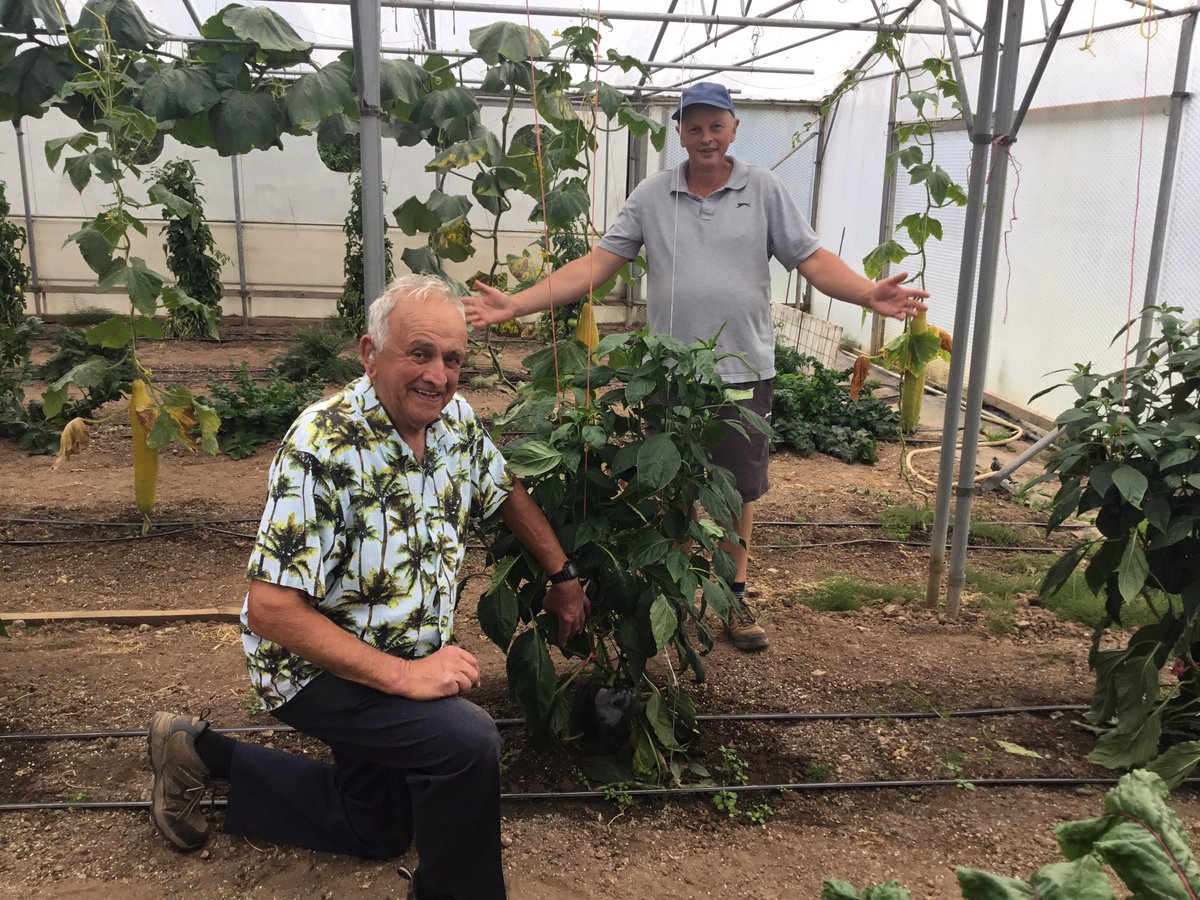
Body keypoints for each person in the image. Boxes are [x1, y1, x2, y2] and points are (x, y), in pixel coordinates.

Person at [148, 275, 589, 900]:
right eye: (420, 352)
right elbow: (271, 610)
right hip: (313, 669)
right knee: (463, 744)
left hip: (395, 659)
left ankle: (200, 753)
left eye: (453, 359)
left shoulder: (453, 421)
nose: (438, 375)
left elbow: (504, 488)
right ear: (368, 353)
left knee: (376, 829)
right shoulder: (322, 444)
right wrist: (404, 678)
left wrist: (562, 574)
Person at [465, 82, 928, 653]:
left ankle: (732, 595)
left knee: (738, 493)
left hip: (742, 370)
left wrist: (866, 293)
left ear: (734, 128)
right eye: (693, 127)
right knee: (669, 486)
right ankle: (673, 595)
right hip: (671, 375)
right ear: (679, 133)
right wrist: (518, 302)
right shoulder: (654, 194)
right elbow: (599, 264)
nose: (705, 137)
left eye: (716, 125)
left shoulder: (763, 190)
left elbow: (810, 259)